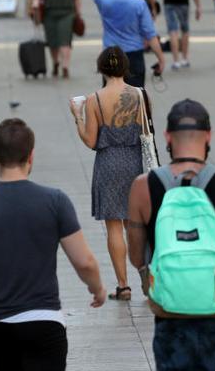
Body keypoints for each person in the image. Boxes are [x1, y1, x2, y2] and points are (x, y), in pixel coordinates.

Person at [0, 118, 105, 370]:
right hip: (44, 321)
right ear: (31, 156)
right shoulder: (55, 201)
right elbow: (84, 262)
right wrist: (97, 289)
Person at [127, 99, 215, 370]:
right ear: (209, 135)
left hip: (171, 322)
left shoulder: (143, 187)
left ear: (167, 136)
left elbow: (136, 256)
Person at [70, 47, 146, 302]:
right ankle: (150, 277)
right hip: (136, 163)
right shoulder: (140, 95)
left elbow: (91, 141)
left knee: (114, 226)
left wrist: (78, 118)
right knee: (136, 224)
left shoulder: (94, 100)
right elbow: (147, 133)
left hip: (109, 163)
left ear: (101, 69)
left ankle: (123, 286)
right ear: (125, 67)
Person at [91, 0, 165, 87]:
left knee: (111, 95)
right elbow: (150, 35)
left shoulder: (103, 0)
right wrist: (161, 59)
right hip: (133, 55)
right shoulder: (139, 4)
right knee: (134, 96)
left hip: (110, 54)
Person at [35, 0, 80, 79]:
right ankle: (56, 62)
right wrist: (35, 6)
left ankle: (65, 66)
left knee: (65, 41)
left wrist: (78, 14)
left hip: (67, 14)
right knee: (52, 42)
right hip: (50, 14)